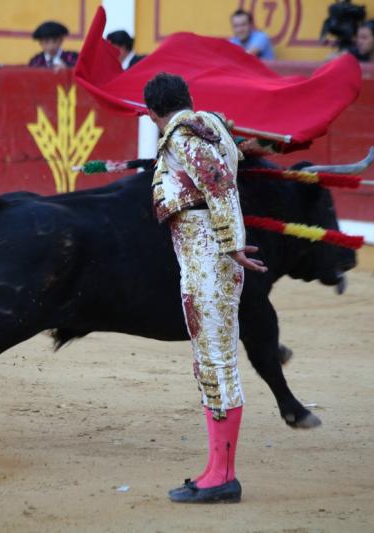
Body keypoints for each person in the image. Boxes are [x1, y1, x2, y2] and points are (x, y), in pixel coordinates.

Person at [143, 73, 267, 504]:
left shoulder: (180, 134)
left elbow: (217, 183)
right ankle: (217, 469)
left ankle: (224, 476)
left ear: (152, 113)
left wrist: (232, 244)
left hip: (208, 260)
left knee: (216, 363)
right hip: (206, 259)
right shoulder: (211, 125)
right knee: (211, 363)